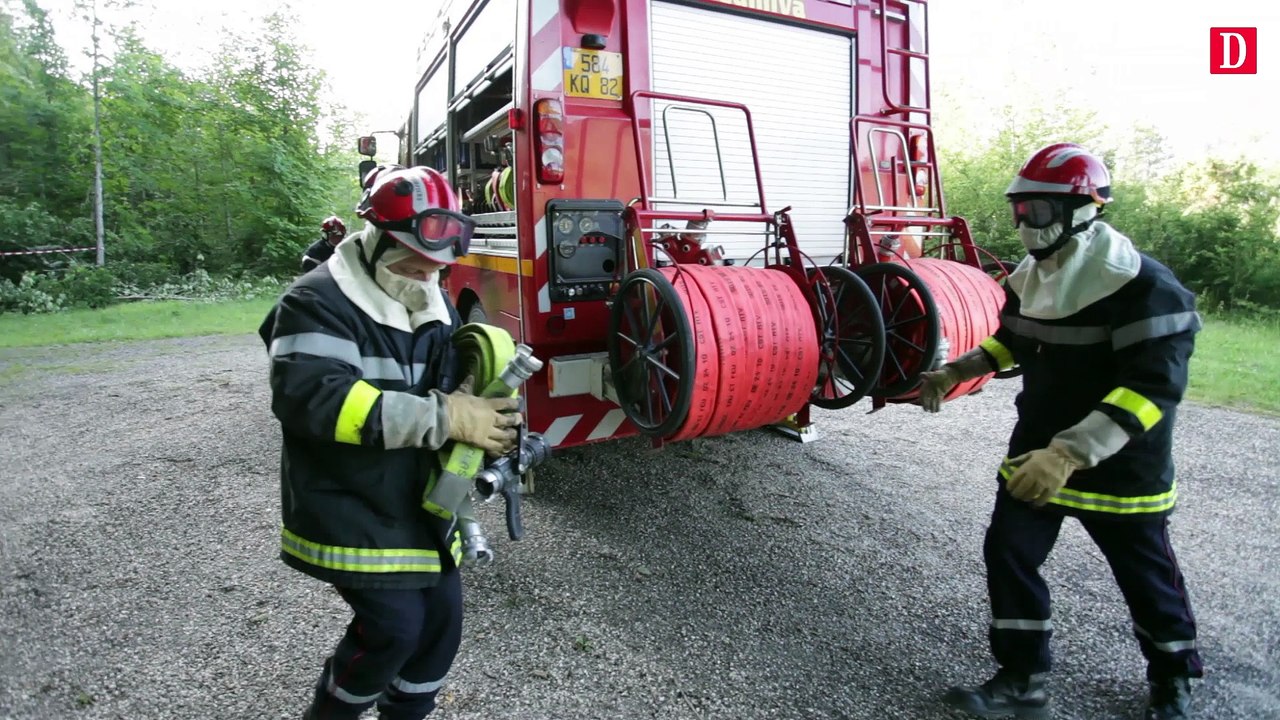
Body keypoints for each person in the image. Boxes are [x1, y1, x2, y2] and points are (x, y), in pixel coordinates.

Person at [919, 143, 1204, 720]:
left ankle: (1173, 678)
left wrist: (1069, 454)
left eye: (1039, 211)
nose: (1026, 225)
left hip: (1118, 463)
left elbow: (1153, 389)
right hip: (1035, 451)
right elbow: (1018, 341)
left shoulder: (1144, 286)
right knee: (1009, 554)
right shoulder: (1033, 278)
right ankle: (1023, 678)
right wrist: (962, 368)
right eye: (1020, 211)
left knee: (1145, 577)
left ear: (1081, 210)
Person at [259, 166, 523, 720]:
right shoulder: (314, 303)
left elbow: (454, 387)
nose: (427, 274)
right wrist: (449, 416)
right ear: (376, 238)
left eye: (437, 267)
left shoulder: (431, 298)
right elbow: (318, 401)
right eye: (414, 259)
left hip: (418, 504)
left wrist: (491, 424)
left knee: (440, 630)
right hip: (348, 503)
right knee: (394, 630)